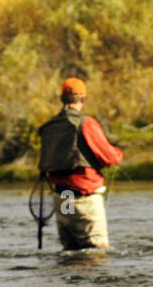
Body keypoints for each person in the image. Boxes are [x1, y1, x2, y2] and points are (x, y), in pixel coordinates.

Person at [37, 77, 123, 250]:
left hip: (63, 199)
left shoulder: (50, 126)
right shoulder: (86, 124)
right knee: (96, 252)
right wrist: (118, 152)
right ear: (83, 99)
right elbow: (110, 157)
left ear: (62, 99)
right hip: (84, 199)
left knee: (71, 251)